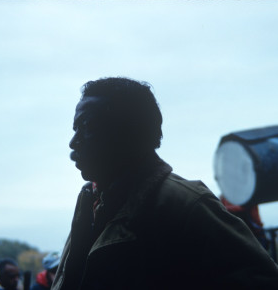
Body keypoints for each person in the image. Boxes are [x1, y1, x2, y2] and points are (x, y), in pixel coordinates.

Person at [52, 77, 278, 290]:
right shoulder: (90, 203)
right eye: (75, 129)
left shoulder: (187, 205)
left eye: (86, 126)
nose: (74, 142)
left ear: (127, 130)